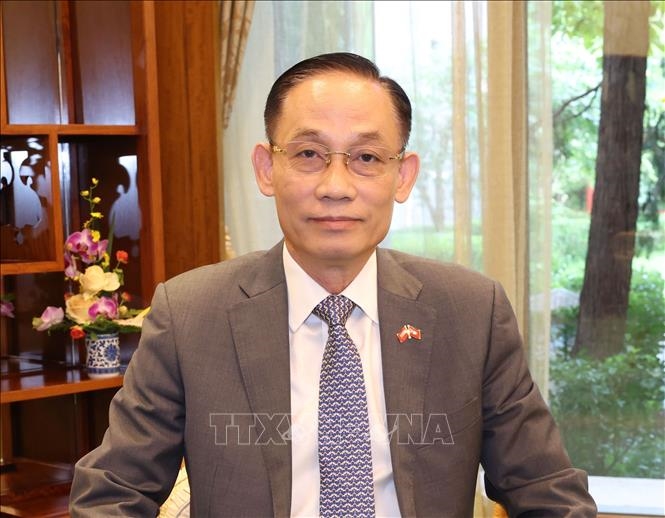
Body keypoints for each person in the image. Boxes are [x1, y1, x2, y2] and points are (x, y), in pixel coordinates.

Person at [70, 52, 596, 517]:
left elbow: (548, 491)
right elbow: (112, 492)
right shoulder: (190, 313)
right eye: (308, 155)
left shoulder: (471, 311)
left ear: (403, 176)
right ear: (266, 169)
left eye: (367, 158)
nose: (336, 187)